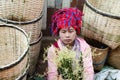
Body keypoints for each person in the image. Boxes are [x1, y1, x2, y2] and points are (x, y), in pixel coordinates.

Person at [47, 7, 94, 80]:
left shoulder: (84, 46)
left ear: (76, 31)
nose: (67, 35)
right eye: (63, 32)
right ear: (58, 33)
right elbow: (52, 73)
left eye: (71, 31)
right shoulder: (53, 50)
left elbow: (88, 70)